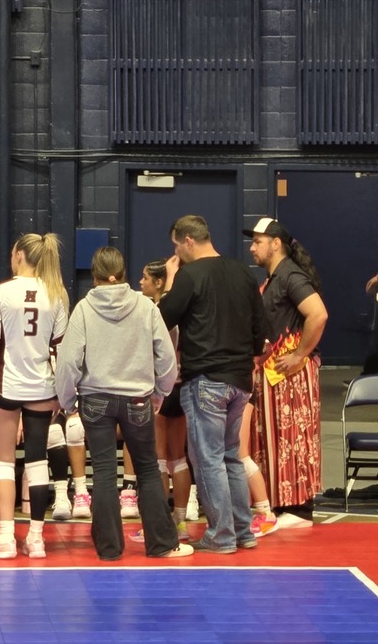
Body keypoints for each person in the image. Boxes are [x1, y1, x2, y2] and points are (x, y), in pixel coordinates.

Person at [55, 247, 191, 560]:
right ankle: (162, 544)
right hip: (137, 398)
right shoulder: (145, 307)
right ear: (123, 272)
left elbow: (68, 362)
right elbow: (167, 356)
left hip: (95, 399)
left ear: (94, 275)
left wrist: (67, 401)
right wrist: (160, 391)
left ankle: (108, 548)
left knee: (103, 473)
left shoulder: (85, 310)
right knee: (146, 469)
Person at [158, 215, 265, 555]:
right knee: (232, 457)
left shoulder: (190, 275)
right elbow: (260, 330)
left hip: (206, 378)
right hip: (240, 380)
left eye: (176, 245)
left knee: (209, 459)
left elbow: (163, 317)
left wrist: (172, 279)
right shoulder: (242, 272)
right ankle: (242, 531)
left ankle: (220, 536)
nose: (176, 252)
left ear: (188, 240)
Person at [0, 233, 69, 560]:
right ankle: (36, 538)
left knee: (3, 459)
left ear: (18, 254)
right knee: (38, 460)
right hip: (43, 386)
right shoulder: (57, 293)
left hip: (7, 385)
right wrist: (63, 391)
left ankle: (5, 536)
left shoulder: (2, 291)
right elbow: (60, 350)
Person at [245, 217, 329, 530]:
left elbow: (318, 315)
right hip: (274, 373)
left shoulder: (290, 276)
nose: (253, 248)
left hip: (290, 375)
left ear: (276, 243)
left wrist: (299, 355)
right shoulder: (276, 277)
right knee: (276, 438)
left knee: (291, 437)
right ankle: (282, 506)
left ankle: (299, 509)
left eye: (258, 242)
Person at [131, 258, 193, 543]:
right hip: (180, 387)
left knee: (159, 460)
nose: (140, 282)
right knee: (177, 457)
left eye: (145, 278)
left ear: (159, 282)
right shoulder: (179, 311)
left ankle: (159, 526)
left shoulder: (159, 313)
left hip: (161, 389)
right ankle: (179, 525)